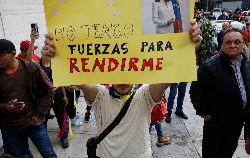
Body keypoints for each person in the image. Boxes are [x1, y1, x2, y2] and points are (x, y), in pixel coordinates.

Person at [42, 20, 202, 157]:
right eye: (118, 74)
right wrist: (54, 59)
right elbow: (75, 78)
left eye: (128, 75)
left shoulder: (144, 95)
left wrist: (187, 49)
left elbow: (171, 76)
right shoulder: (101, 95)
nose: (123, 80)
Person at [0, 39, 57, 158]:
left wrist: (39, 114)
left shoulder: (31, 68)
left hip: (33, 122)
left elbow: (49, 90)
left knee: (49, 154)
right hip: (10, 127)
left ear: (12, 54)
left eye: (0, 55)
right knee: (23, 155)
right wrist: (5, 107)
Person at [190, 28, 250, 158]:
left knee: (228, 151)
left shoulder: (248, 64)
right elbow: (195, 91)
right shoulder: (209, 67)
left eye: (237, 42)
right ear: (222, 44)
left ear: (244, 44)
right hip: (216, 124)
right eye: (228, 42)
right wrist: (204, 113)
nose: (233, 45)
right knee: (212, 153)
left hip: (238, 122)